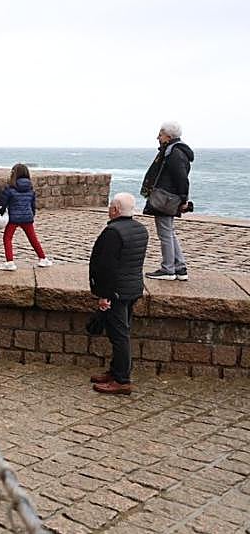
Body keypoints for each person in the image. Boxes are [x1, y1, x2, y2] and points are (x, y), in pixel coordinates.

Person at [88, 192, 149, 395]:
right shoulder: (140, 230)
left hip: (116, 292)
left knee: (119, 335)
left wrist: (104, 295)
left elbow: (107, 267)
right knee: (122, 331)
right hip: (132, 288)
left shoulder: (113, 232)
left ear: (115, 210)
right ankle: (115, 372)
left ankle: (122, 379)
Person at [141, 121, 193, 281]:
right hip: (169, 197)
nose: (158, 137)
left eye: (160, 134)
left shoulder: (174, 154)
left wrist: (183, 199)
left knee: (165, 234)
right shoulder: (174, 151)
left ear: (168, 136)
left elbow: (181, 178)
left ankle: (168, 269)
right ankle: (180, 267)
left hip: (166, 198)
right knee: (169, 232)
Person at [0, 163, 53, 270]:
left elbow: (2, 204)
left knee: (7, 238)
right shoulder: (30, 188)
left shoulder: (10, 188)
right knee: (33, 239)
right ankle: (43, 258)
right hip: (27, 217)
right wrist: (31, 216)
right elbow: (33, 206)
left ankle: (10, 262)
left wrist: (0, 213)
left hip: (13, 218)